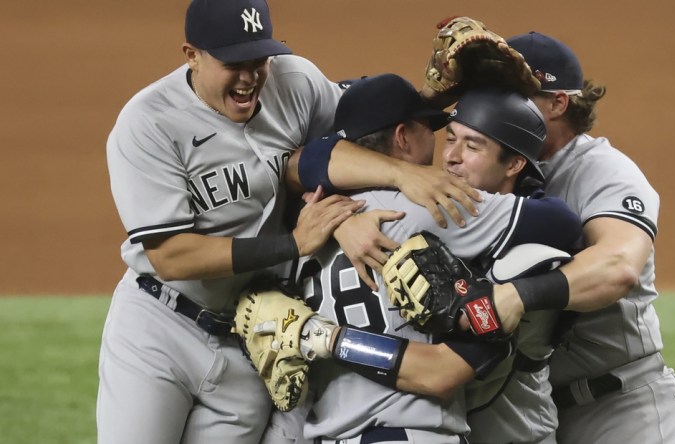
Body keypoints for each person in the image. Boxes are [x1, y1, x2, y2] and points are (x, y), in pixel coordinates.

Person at [99, 0, 480, 442]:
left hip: (253, 335)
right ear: (192, 55)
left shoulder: (295, 82)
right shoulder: (148, 124)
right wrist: (294, 243)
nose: (250, 77)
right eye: (233, 63)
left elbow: (362, 138)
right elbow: (171, 256)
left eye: (258, 59)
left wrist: (429, 106)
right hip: (159, 327)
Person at [286, 77, 581, 443]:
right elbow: (561, 223)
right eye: (435, 131)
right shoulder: (430, 205)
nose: (447, 155)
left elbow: (299, 164)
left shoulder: (305, 221)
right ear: (403, 137)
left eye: (468, 143)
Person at [494, 31, 675, 443]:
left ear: (557, 103)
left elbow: (617, 266)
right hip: (534, 414)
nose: (494, 107)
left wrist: (521, 295)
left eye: (512, 94)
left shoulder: (604, 171)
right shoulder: (497, 169)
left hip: (622, 411)